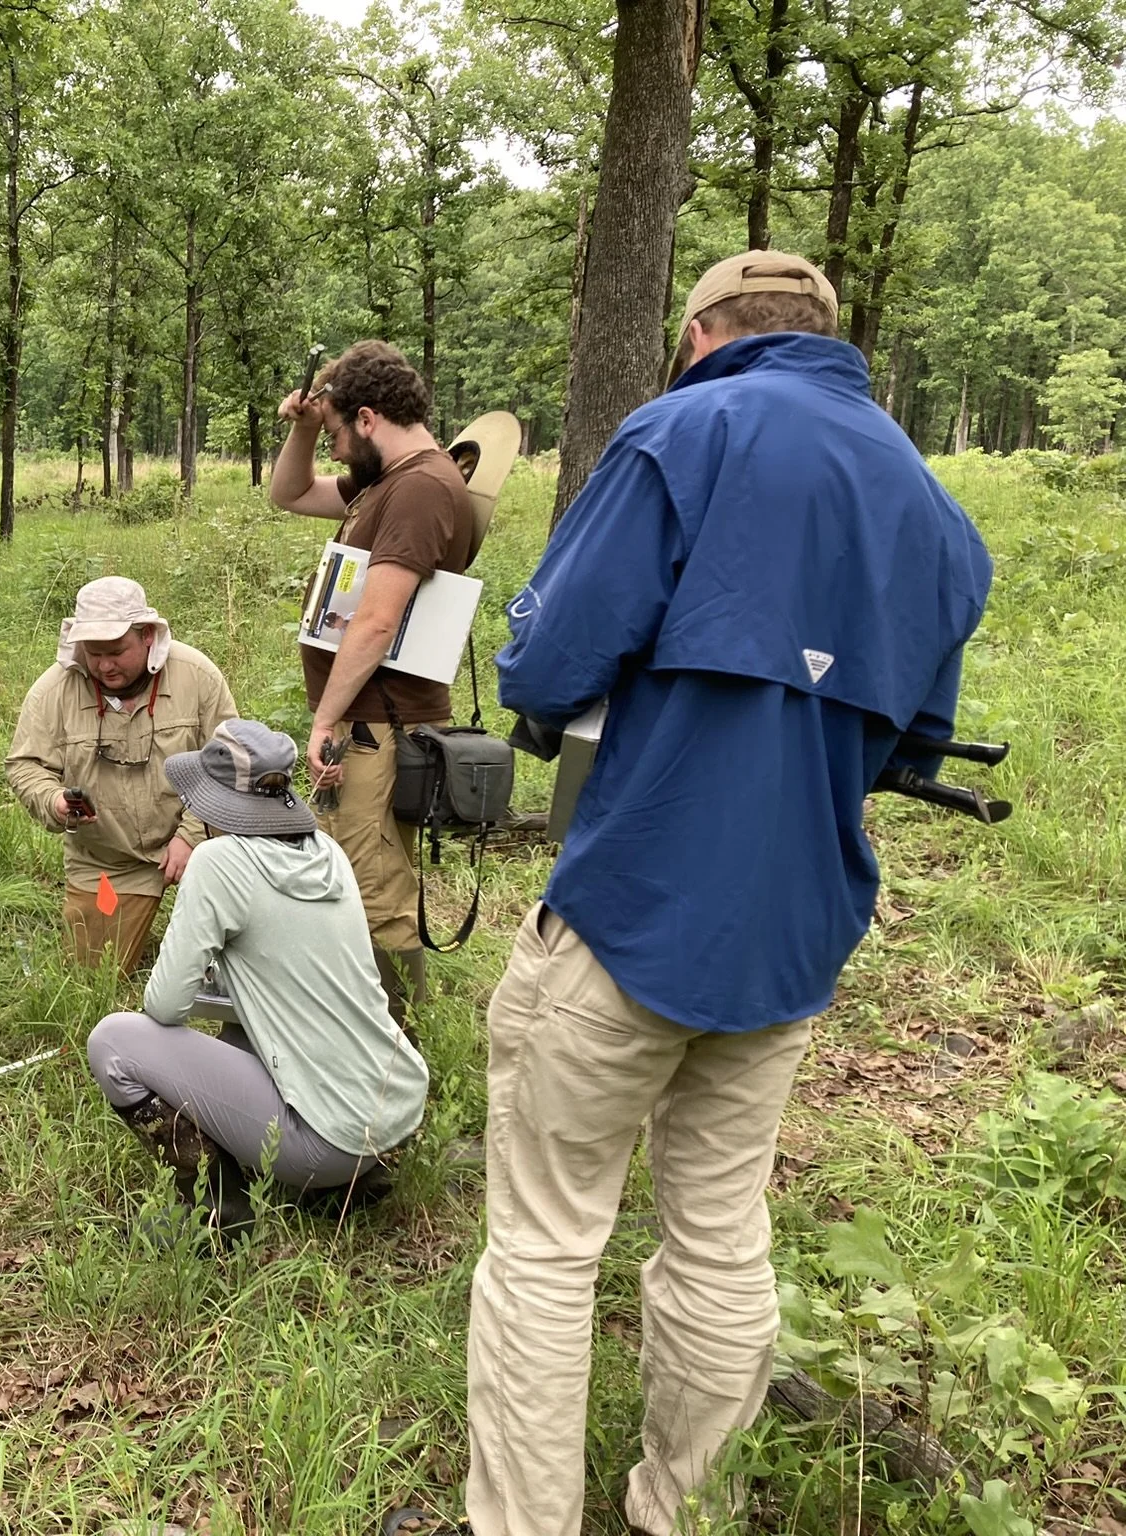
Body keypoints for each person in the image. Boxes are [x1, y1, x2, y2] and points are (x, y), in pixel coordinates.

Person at [465, 252, 992, 1536]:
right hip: (793, 933)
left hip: (634, 902)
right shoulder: (929, 506)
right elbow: (913, 745)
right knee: (716, 1227)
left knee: (543, 1239)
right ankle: (679, 1512)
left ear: (701, 333)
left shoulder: (680, 430)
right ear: (825, 335)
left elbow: (543, 667)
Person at [86, 720, 430, 1241]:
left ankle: (216, 1215)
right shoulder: (328, 853)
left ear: (217, 805)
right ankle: (351, 1183)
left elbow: (165, 1006)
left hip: (327, 1142)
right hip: (395, 1113)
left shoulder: (219, 861)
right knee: (242, 1025)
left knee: (113, 1041)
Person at [266, 342, 477, 1029]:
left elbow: (377, 619)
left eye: (331, 434)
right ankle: (378, 1030)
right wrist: (301, 426)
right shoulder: (392, 480)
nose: (330, 450)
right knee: (364, 874)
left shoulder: (418, 487)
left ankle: (398, 1045)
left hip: (378, 724)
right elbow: (289, 494)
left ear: (365, 417)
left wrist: (324, 720)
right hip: (368, 721)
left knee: (373, 883)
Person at [5, 577, 237, 974]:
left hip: (206, 844)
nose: (105, 665)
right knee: (94, 978)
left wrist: (193, 836)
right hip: (107, 858)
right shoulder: (53, 692)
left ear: (148, 635)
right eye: (94, 654)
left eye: (116, 651)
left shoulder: (196, 676)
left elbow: (230, 761)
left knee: (243, 957)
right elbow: (25, 766)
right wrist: (56, 803)